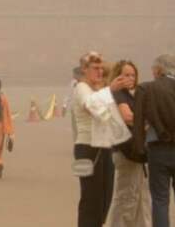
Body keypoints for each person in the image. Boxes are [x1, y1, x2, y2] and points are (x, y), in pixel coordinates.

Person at [73, 51, 129, 227]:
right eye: (95, 68)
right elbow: (94, 107)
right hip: (87, 148)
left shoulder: (98, 89)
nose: (99, 72)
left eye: (101, 69)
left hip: (104, 147)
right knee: (91, 198)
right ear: (84, 70)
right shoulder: (81, 88)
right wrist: (110, 89)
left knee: (105, 198)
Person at [106, 60, 150, 226]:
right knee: (125, 197)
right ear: (118, 76)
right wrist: (148, 123)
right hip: (126, 152)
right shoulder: (119, 94)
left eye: (133, 75)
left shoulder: (133, 94)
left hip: (137, 153)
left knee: (140, 196)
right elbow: (128, 117)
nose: (130, 78)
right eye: (126, 75)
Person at [133, 53, 175, 227]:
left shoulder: (146, 88)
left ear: (158, 69)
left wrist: (139, 152)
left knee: (159, 199)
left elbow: (138, 122)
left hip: (158, 150)